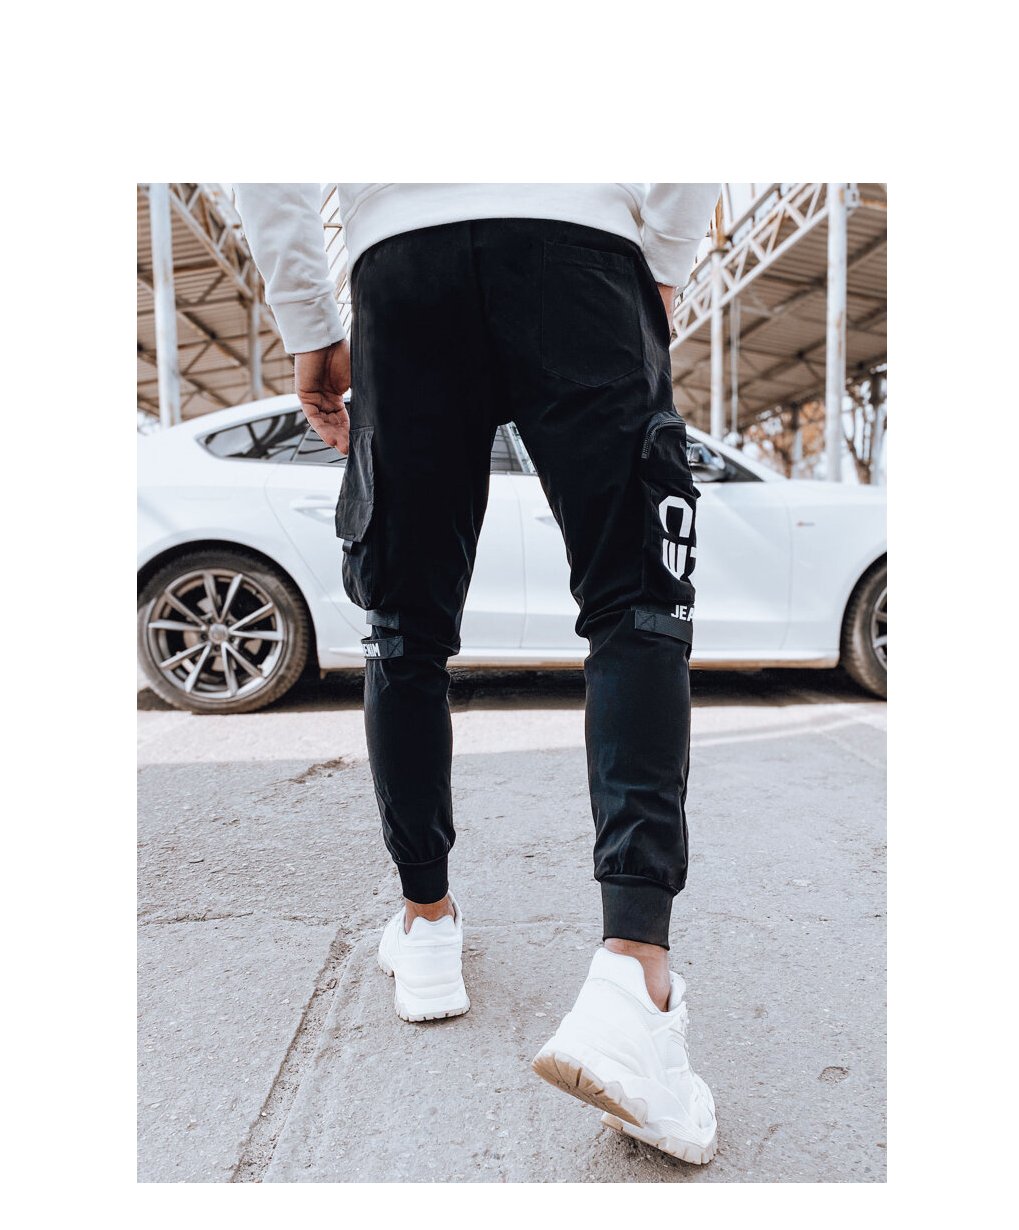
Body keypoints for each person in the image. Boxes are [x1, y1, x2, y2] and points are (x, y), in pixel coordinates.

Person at [234, 183, 722, 1165]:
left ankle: (427, 925)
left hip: (403, 257)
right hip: (582, 244)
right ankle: (632, 975)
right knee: (635, 606)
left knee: (403, 629)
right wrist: (662, 259)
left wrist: (310, 321)